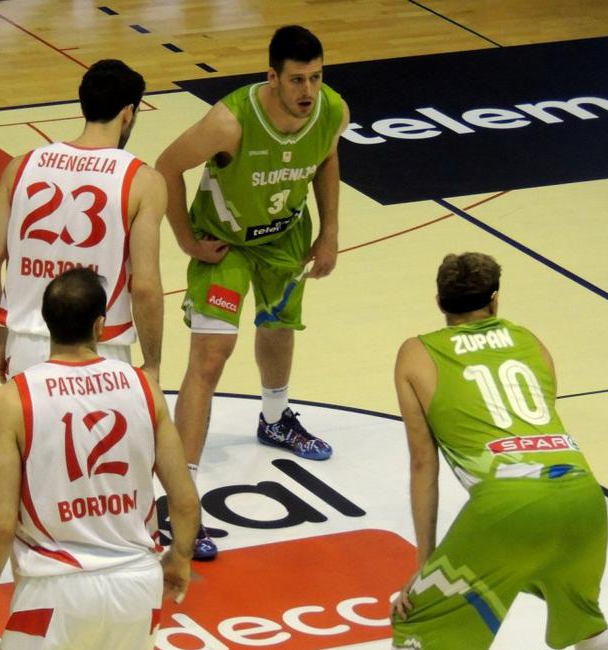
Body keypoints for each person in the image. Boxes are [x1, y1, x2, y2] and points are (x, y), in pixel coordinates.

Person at [155, 24, 349, 559]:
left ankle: (275, 419)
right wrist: (187, 241)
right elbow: (166, 167)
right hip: (227, 244)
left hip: (285, 237)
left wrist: (330, 231)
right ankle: (180, 501)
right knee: (211, 357)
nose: (308, 91)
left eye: (316, 77)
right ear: (272, 77)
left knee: (280, 327)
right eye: (297, 80)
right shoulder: (230, 121)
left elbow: (327, 157)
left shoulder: (332, 110)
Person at [390, 252, 608, 650]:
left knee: (418, 620)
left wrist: (426, 565)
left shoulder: (416, 353)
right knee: (584, 619)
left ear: (440, 302)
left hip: (509, 504)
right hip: (582, 492)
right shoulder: (530, 341)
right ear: (494, 300)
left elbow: (424, 463)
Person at [0, 268, 199, 650]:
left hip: (54, 590)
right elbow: (185, 499)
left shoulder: (11, 400)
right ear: (100, 326)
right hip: (136, 586)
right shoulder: (145, 388)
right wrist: (181, 556)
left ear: (46, 322)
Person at [0, 59, 167, 384]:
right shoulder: (142, 181)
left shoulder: (20, 168)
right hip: (103, 347)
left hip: (25, 345)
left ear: (83, 105)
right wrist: (153, 363)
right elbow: (145, 287)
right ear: (128, 113)